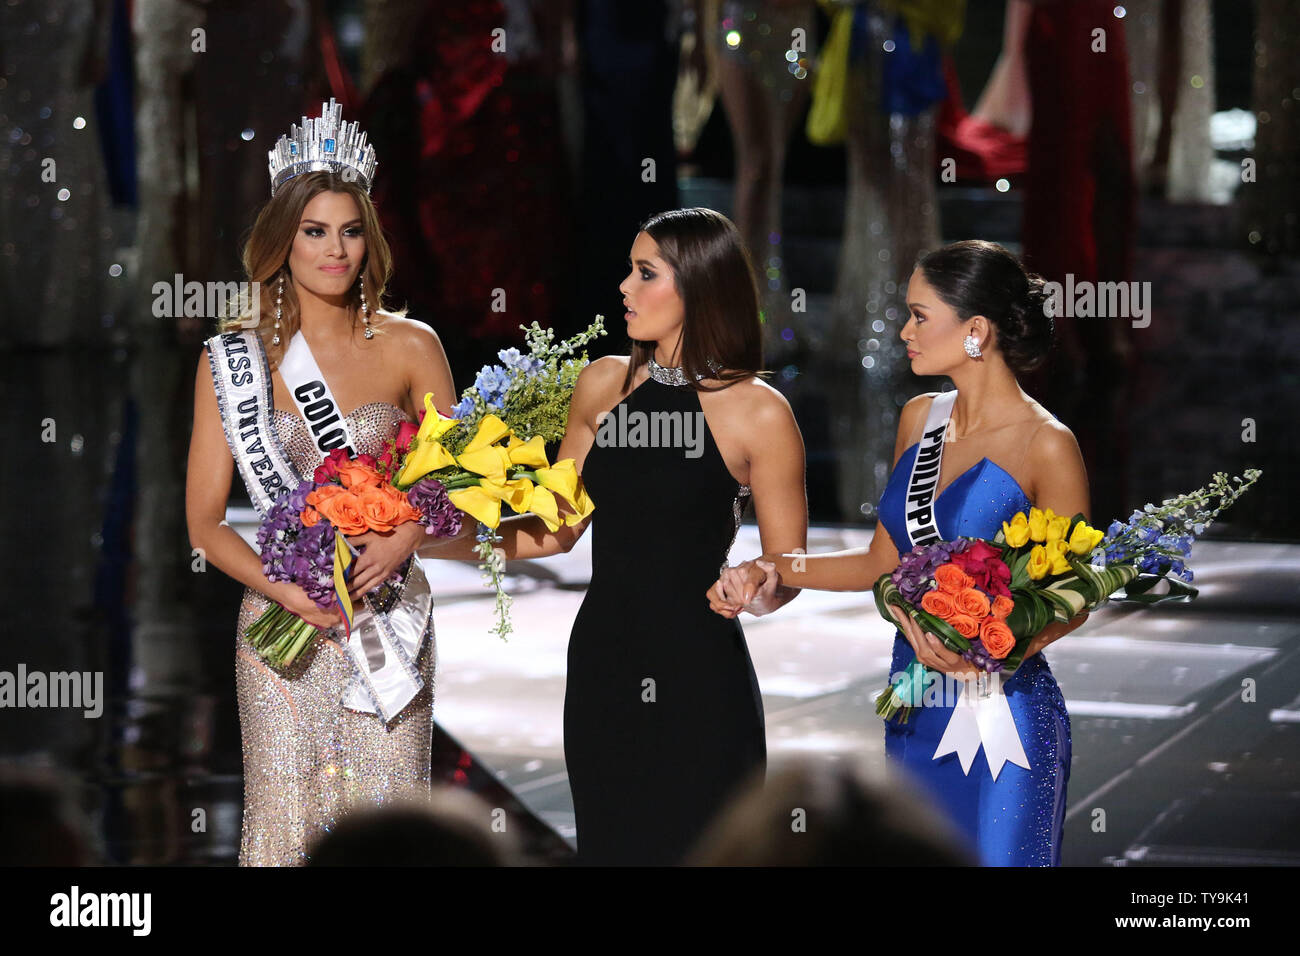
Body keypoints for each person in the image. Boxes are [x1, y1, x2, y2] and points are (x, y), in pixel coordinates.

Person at [421, 207, 808, 865]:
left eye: (645, 273)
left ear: (697, 288)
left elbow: (789, 564)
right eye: (629, 271)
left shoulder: (759, 412)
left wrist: (759, 583)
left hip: (699, 674)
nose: (624, 288)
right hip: (605, 662)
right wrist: (427, 537)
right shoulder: (603, 385)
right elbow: (556, 530)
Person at [710, 239, 1091, 866]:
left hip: (1003, 715)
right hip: (914, 700)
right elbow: (879, 563)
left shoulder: (1046, 444)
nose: (905, 331)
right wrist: (772, 567)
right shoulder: (920, 418)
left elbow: (1073, 598)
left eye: (919, 315)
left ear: (975, 330)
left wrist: (991, 643)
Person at [185, 101, 457, 866]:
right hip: (284, 632)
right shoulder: (232, 362)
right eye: (314, 231)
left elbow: (460, 483)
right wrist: (286, 592)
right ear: (282, 241)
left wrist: (405, 532)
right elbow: (206, 525)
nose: (334, 249)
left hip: (389, 617)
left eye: (350, 230)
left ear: (370, 239)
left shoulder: (412, 345)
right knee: (286, 825)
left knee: (391, 822)